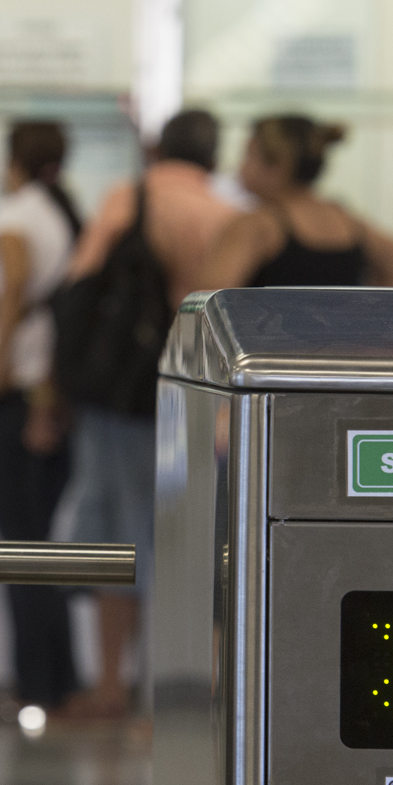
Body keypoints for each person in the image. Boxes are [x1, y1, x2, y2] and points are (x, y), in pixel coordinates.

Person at [56, 108, 242, 720]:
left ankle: (113, 685)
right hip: (193, 392)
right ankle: (166, 695)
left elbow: (80, 285)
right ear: (214, 155)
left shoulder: (126, 199)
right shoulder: (226, 216)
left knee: (117, 535)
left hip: (122, 395)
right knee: (182, 543)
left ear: (162, 148)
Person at [0, 121, 83, 722]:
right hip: (51, 393)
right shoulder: (63, 214)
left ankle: (34, 686)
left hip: (17, 394)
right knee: (42, 546)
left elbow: (10, 286)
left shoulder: (12, 214)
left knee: (18, 549)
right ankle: (59, 679)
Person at [200, 114, 393, 290]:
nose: (239, 166)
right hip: (339, 345)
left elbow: (211, 297)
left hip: (272, 346)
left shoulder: (257, 225)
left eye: (248, 154)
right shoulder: (344, 219)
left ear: (279, 167)